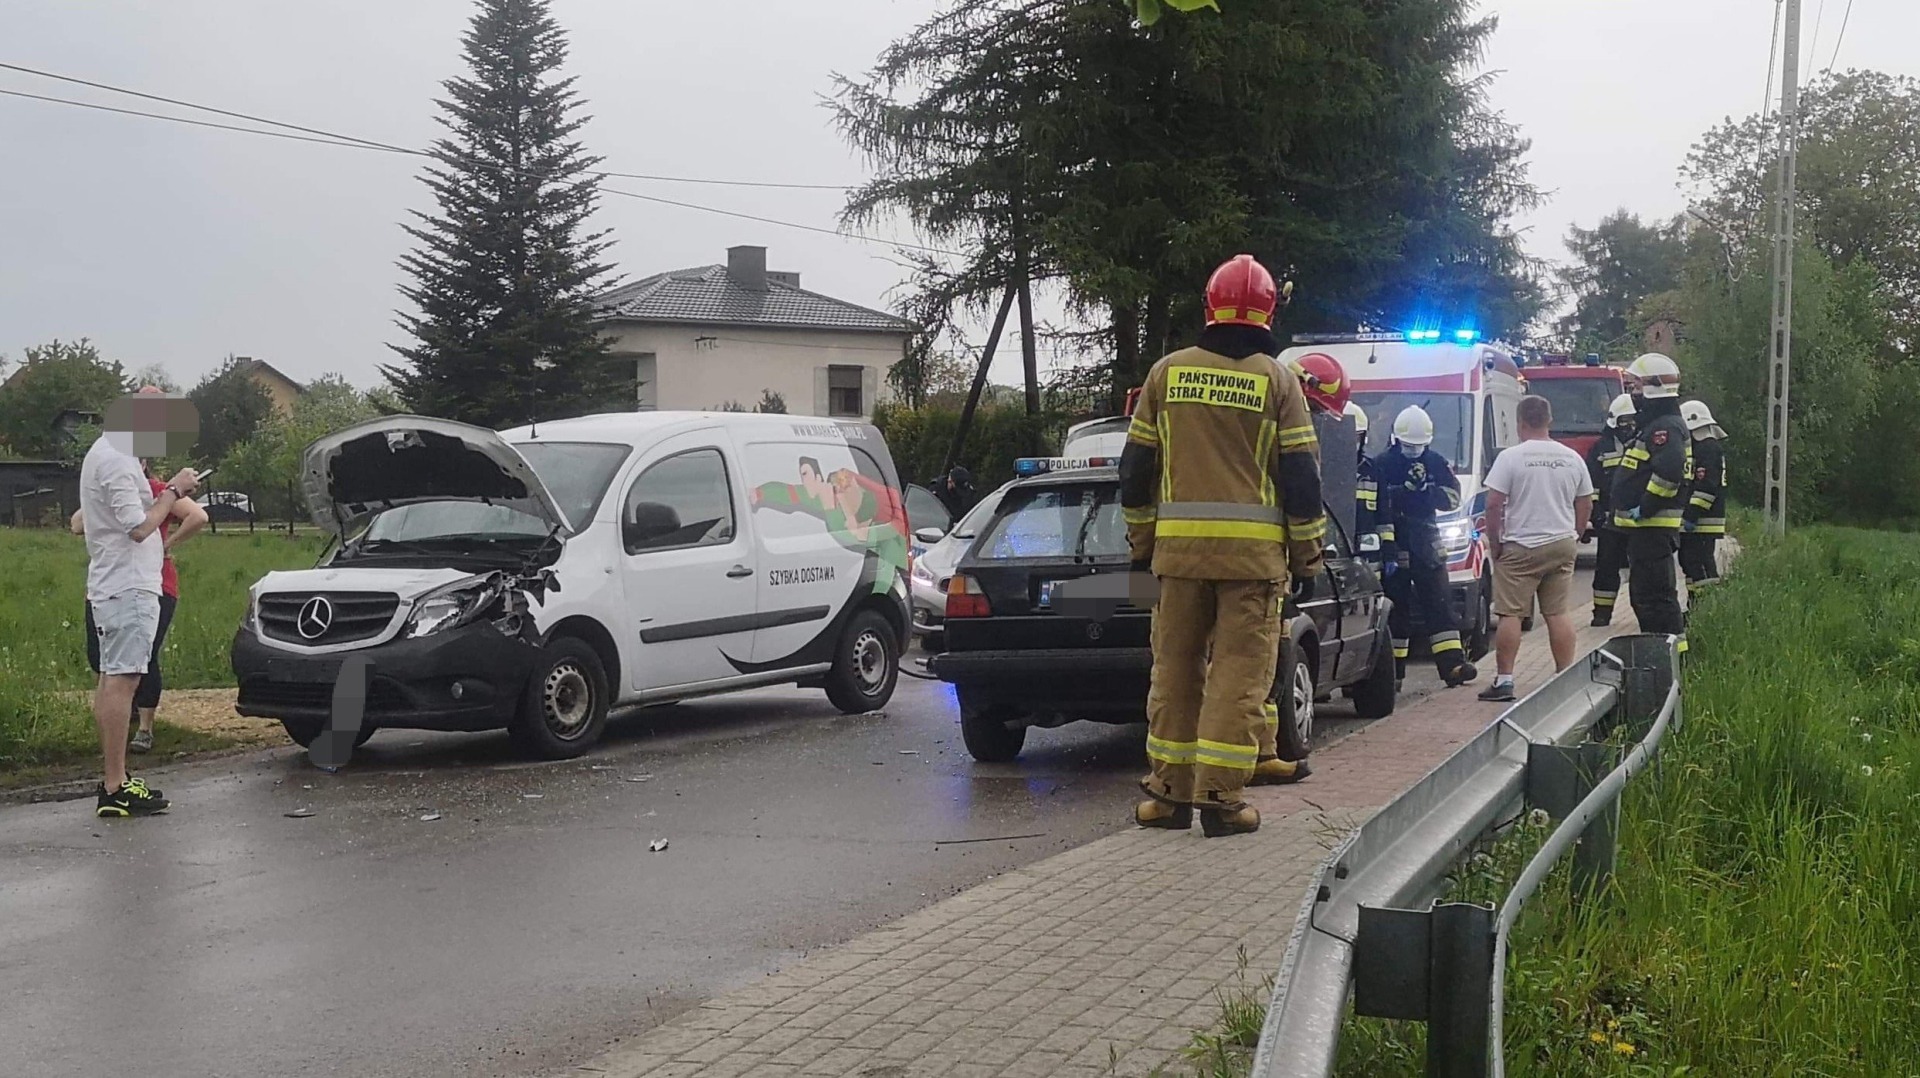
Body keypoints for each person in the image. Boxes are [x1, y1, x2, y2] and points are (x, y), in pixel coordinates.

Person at [1120, 253, 1325, 837]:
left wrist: (1142, 544)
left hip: (1176, 558)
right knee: (1240, 673)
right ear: (1267, 312)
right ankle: (1221, 799)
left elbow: (1135, 471)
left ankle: (1167, 794)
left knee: (1175, 669)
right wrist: (1307, 556)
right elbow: (1302, 480)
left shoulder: (1166, 374)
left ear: (1209, 305)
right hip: (1253, 562)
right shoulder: (1278, 380)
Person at [80, 393, 201, 817]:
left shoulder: (118, 454)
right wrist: (174, 490)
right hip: (127, 586)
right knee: (122, 680)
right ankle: (114, 787)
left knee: (115, 678)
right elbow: (137, 527)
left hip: (121, 584)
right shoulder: (115, 457)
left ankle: (115, 778)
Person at [1248, 352, 1347, 781]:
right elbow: (1303, 489)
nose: (1317, 418)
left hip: (1197, 560)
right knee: (1252, 664)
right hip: (1259, 561)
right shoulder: (1283, 401)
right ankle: (1248, 761)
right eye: (1319, 408)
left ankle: (1264, 750)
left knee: (1263, 662)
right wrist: (1308, 563)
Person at [73, 457, 209, 753]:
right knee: (101, 659)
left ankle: (145, 729)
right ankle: (119, 721)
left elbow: (197, 516)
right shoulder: (109, 494)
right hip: (109, 584)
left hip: (153, 584)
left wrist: (166, 544)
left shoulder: (157, 491)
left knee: (144, 657)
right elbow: (76, 524)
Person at [1477, 396, 1594, 702]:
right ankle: (1564, 676)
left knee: (1510, 614)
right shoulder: (1571, 458)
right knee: (1557, 612)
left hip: (1522, 546)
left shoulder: (1511, 458)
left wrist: (1496, 542)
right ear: (1549, 421)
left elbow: (1493, 503)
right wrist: (1576, 532)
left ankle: (1504, 681)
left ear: (1520, 423)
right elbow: (1586, 501)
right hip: (1561, 543)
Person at [1373, 406, 1478, 688]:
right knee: (1397, 611)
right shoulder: (1382, 464)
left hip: (1427, 547)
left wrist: (1427, 491)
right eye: (1408, 447)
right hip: (1395, 544)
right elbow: (1377, 506)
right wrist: (1403, 491)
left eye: (1418, 447)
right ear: (1396, 440)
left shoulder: (1435, 462)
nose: (1413, 452)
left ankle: (1453, 666)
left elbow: (1453, 498)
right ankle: (1392, 674)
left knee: (1440, 606)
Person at [1610, 353, 1691, 649]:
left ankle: (1669, 661)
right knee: (1648, 598)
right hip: (1647, 530)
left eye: (1636, 386)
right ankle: (1662, 657)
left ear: (1654, 387)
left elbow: (1669, 474)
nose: (1633, 393)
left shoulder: (1664, 428)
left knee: (1656, 600)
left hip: (1652, 528)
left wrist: (1645, 507)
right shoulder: (1658, 424)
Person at [1586, 394, 1636, 627]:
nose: (1630, 425)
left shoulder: (1644, 441)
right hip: (1610, 520)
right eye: (1625, 420)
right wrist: (1595, 510)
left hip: (1639, 521)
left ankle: (1642, 611)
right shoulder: (1601, 447)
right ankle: (1602, 614)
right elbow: (1591, 483)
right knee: (1606, 567)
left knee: (1641, 568)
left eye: (1633, 420)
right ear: (1615, 420)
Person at [1678, 399, 1727, 594]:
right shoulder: (1701, 448)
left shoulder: (1708, 448)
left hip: (1704, 519)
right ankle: (1695, 604)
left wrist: (1691, 514)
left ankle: (1708, 605)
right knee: (1689, 561)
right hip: (1698, 518)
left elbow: (1707, 486)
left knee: (1701, 563)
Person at [1345, 401, 1382, 561]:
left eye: (1356, 436)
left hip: (1369, 554)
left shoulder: (1373, 470)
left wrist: (1388, 551)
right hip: (1334, 550)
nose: (1352, 442)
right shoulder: (1322, 469)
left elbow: (1383, 514)